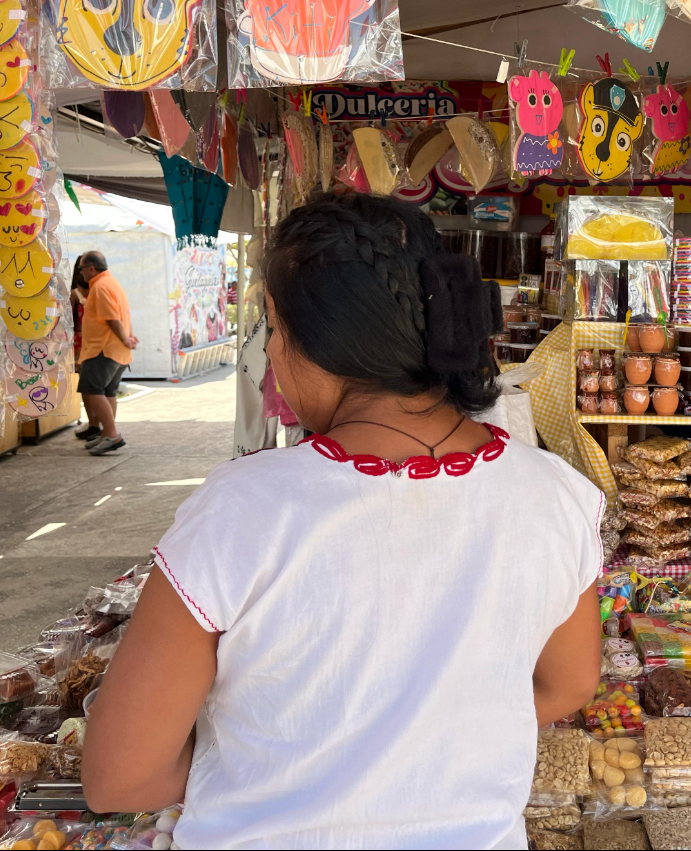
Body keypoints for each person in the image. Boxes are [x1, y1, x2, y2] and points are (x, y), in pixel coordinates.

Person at [83, 194, 602, 849]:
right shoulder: (556, 495)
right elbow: (569, 681)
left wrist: (267, 767)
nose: (270, 350)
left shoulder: (240, 511)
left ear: (323, 338)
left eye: (272, 326)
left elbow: (118, 776)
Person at [77, 250, 138, 456]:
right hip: (115, 349)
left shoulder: (101, 287)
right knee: (108, 392)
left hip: (103, 348)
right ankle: (106, 434)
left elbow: (112, 318)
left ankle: (111, 434)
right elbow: (122, 315)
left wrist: (125, 337)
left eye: (82, 268)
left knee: (93, 391)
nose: (81, 273)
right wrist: (128, 337)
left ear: (92, 268)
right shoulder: (112, 284)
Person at [71, 256, 95, 441]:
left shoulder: (77, 294)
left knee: (88, 387)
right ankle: (95, 423)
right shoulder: (95, 291)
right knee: (92, 386)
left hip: (82, 342)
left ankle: (94, 423)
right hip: (90, 341)